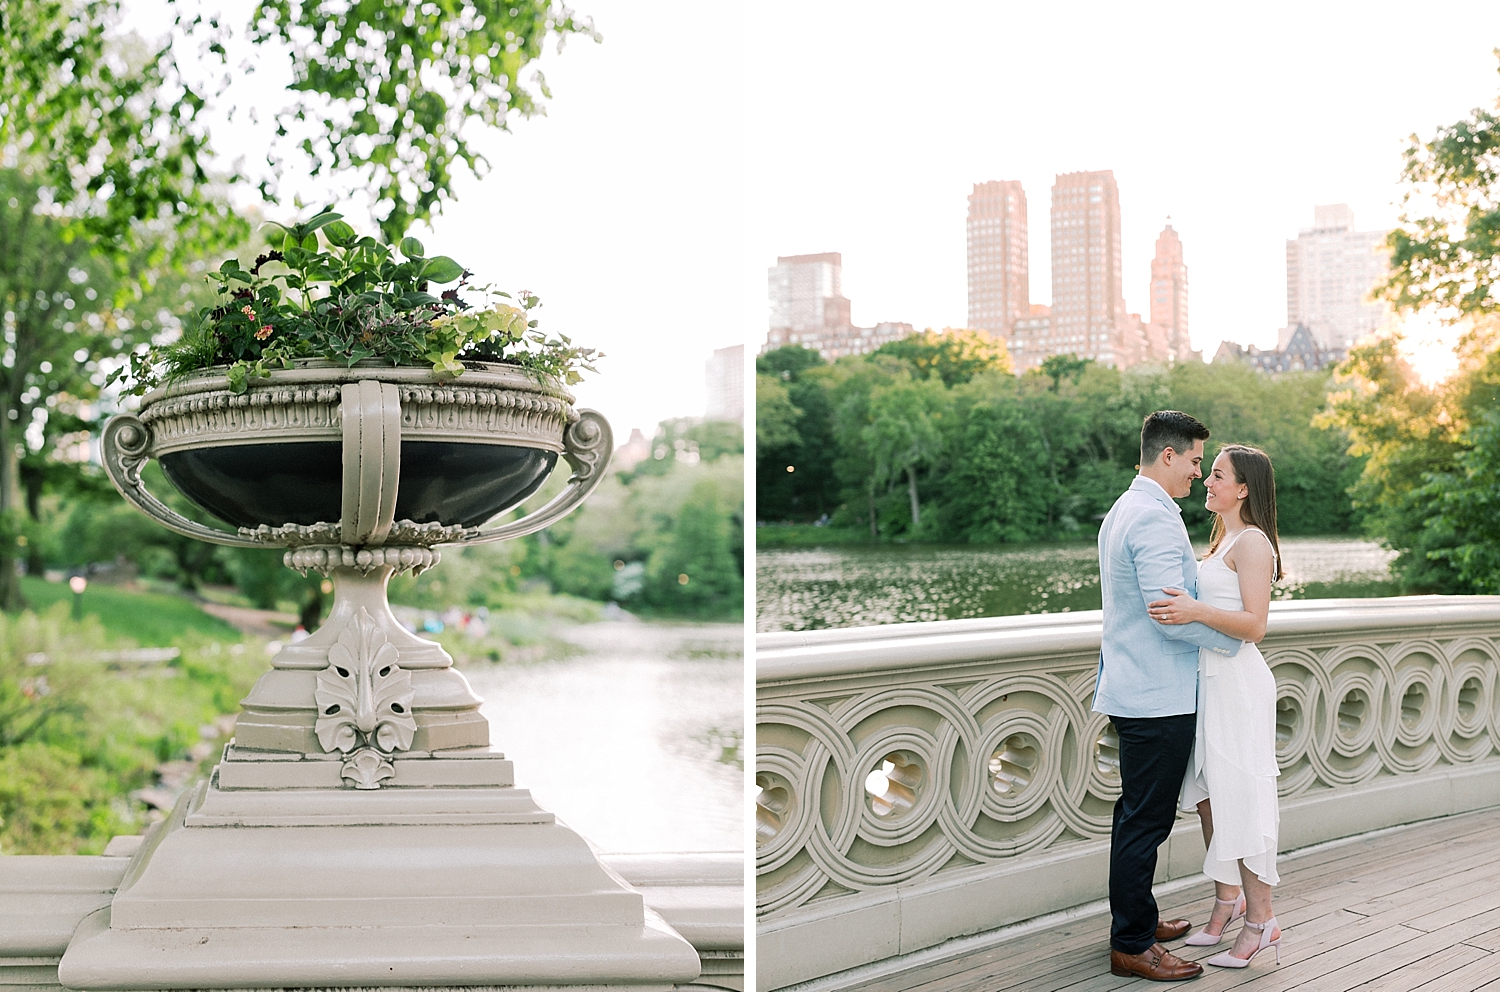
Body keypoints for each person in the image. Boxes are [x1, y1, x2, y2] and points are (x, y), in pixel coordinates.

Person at [1095, 411, 1243, 982]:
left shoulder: (1125, 507)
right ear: (1168, 457)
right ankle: (1132, 944)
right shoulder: (1154, 520)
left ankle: (1137, 919)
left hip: (1135, 689)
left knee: (1135, 817)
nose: (1197, 474)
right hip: (1156, 696)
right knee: (1145, 823)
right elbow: (1171, 617)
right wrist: (1235, 640)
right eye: (1195, 462)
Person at [1150, 444, 1283, 969]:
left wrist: (1193, 610)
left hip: (1239, 686)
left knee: (1240, 801)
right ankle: (1226, 901)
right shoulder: (1221, 538)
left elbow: (1255, 626)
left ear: (1243, 487)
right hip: (1209, 684)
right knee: (1210, 799)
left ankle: (1261, 921)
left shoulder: (1252, 543)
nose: (1206, 480)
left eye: (1218, 475)